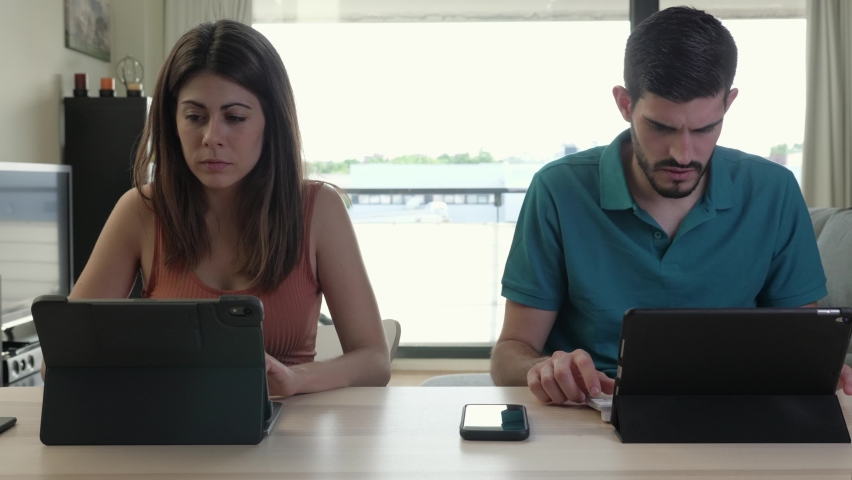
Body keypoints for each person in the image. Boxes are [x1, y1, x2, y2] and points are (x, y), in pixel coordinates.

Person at [490, 6, 852, 404]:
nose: (683, 154)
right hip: (591, 411)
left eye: (704, 128)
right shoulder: (558, 188)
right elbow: (510, 352)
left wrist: (820, 366)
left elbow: (799, 343)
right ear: (625, 104)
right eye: (661, 127)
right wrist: (539, 368)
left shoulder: (774, 190)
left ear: (727, 105)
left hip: (734, 408)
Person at [49, 20, 391, 396]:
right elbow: (61, 358)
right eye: (195, 117)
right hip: (175, 433)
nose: (212, 138)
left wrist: (297, 379)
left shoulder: (319, 209)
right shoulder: (141, 211)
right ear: (172, 122)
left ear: (270, 123)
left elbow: (374, 359)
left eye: (235, 117)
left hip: (290, 439)